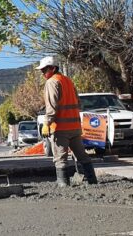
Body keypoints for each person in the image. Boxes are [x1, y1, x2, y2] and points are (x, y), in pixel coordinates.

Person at [37, 56, 98, 186]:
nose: (43, 73)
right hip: (75, 127)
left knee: (60, 158)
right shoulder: (67, 81)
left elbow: (52, 106)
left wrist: (47, 123)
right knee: (82, 156)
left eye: (44, 70)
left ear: (53, 68)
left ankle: (63, 184)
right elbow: (77, 102)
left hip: (60, 128)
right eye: (42, 71)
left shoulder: (52, 82)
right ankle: (92, 180)